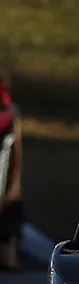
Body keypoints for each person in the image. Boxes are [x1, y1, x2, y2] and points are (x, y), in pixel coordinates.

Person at [0, 69, 23, 270]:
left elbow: (16, 148)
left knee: (11, 209)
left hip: (5, 170)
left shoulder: (9, 111)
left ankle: (9, 255)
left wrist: (15, 184)